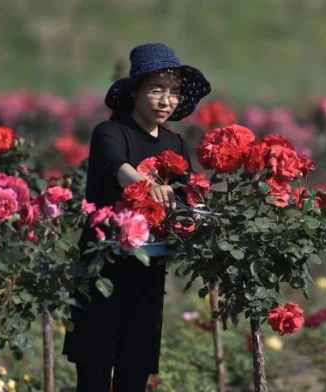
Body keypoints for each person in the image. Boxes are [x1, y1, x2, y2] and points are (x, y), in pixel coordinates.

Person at [62, 43, 211, 392]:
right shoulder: (110, 133)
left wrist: (199, 213)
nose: (166, 101)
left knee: (135, 369)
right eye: (156, 90)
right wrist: (149, 186)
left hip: (147, 268)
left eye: (173, 93)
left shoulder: (174, 143)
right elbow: (117, 166)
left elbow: (190, 193)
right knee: (95, 370)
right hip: (102, 269)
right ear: (134, 91)